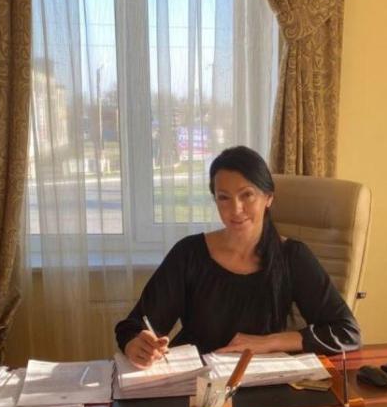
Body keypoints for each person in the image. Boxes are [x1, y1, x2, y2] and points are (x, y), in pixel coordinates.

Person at [115, 146, 361, 368]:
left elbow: (347, 332)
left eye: (247, 195)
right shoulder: (188, 253)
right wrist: (137, 344)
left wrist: (268, 343)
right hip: (196, 380)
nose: (235, 209)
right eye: (224, 198)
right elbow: (133, 326)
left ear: (268, 197)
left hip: (260, 379)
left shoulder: (292, 257)